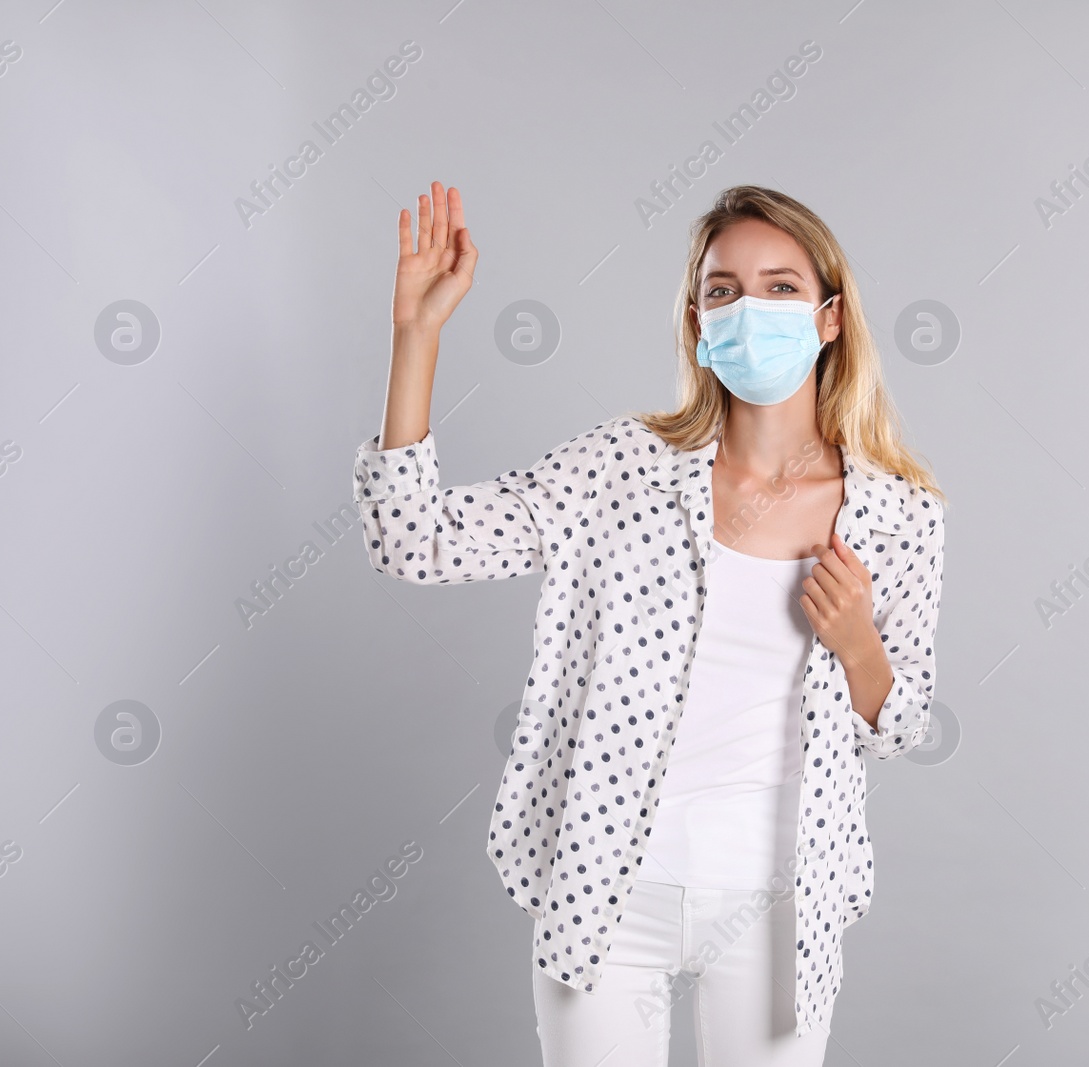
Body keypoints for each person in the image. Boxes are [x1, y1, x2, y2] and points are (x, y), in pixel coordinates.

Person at [353, 181, 947, 1067]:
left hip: (779, 903)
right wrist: (417, 336)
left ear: (829, 318)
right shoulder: (620, 469)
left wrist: (859, 640)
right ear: (700, 323)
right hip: (605, 883)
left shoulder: (900, 516)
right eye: (723, 289)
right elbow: (415, 539)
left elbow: (902, 726)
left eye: (781, 286)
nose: (750, 306)